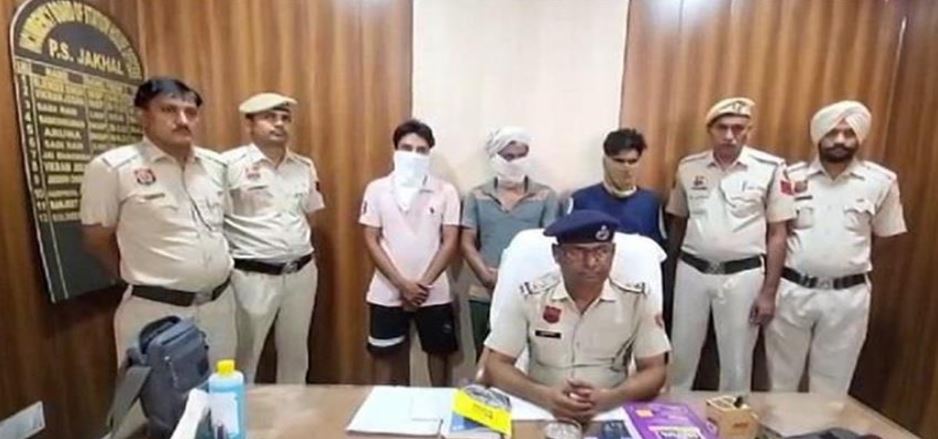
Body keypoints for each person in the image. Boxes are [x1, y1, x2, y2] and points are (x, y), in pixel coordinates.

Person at [80, 77, 235, 365]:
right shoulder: (113, 168)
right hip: (156, 311)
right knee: (158, 393)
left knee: (222, 388)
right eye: (168, 110)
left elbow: (221, 227)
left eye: (190, 112)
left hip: (220, 306)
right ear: (143, 115)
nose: (182, 120)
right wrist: (139, 279)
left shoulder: (216, 166)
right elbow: (97, 240)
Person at [765, 101, 906, 394]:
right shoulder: (791, 177)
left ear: (859, 137)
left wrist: (848, 265)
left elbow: (886, 238)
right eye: (832, 132)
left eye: (848, 133)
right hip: (793, 291)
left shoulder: (880, 182)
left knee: (832, 386)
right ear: (819, 135)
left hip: (848, 298)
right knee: (780, 381)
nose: (840, 140)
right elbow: (777, 232)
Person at [484, 210, 670, 423]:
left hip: (610, 408)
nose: (591, 262)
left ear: (613, 253)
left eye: (602, 251)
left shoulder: (638, 299)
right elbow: (496, 365)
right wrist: (543, 396)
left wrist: (612, 398)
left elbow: (655, 370)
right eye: (577, 252)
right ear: (556, 254)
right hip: (541, 407)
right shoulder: (530, 296)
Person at [666, 97, 795, 391]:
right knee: (681, 355)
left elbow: (778, 233)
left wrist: (769, 292)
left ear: (749, 130)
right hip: (692, 271)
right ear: (710, 130)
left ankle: (732, 417)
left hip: (743, 275)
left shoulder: (770, 168)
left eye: (738, 128)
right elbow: (678, 222)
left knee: (736, 362)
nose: (729, 135)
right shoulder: (689, 167)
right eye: (722, 127)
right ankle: (671, 415)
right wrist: (673, 275)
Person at [223, 92, 325, 383]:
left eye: (285, 118)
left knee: (296, 354)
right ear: (249, 124)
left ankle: (292, 410)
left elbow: (310, 214)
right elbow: (214, 219)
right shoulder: (227, 165)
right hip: (251, 276)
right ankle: (241, 410)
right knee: (245, 356)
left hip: (300, 273)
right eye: (269, 117)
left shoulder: (303, 166)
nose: (279, 124)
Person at [360, 119, 460, 386]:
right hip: (386, 290)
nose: (414, 155)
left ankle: (438, 405)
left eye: (421, 150)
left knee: (439, 355)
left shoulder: (446, 191)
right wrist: (402, 284)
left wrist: (422, 286)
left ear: (429, 153)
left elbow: (450, 241)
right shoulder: (377, 189)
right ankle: (384, 407)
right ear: (395, 151)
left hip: (434, 291)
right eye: (407, 148)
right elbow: (370, 239)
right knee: (384, 356)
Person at [461, 127, 560, 358]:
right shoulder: (477, 195)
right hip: (484, 291)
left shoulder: (546, 195)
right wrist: (486, 276)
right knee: (484, 356)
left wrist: (519, 278)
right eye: (508, 157)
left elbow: (549, 242)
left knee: (528, 358)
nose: (515, 162)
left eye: (521, 156)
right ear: (494, 158)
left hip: (529, 292)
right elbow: (466, 242)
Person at [569, 128, 665, 246]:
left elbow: (659, 249)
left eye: (632, 161)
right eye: (619, 161)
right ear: (605, 162)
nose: (626, 168)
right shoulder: (581, 200)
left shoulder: (651, 203)